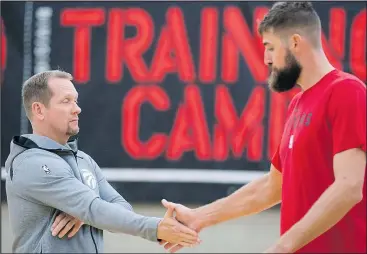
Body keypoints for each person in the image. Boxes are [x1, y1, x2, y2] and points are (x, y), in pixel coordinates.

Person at [160, 2, 366, 253]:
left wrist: (283, 246)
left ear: (295, 43)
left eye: (270, 48)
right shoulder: (298, 104)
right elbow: (272, 187)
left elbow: (349, 187)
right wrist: (199, 217)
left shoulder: (347, 91)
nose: (266, 59)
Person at [4, 70, 200, 253]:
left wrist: (83, 214)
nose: (77, 109)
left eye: (76, 101)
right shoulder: (31, 163)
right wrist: (155, 228)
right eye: (66, 101)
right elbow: (93, 208)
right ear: (39, 110)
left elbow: (120, 206)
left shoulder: (83, 159)